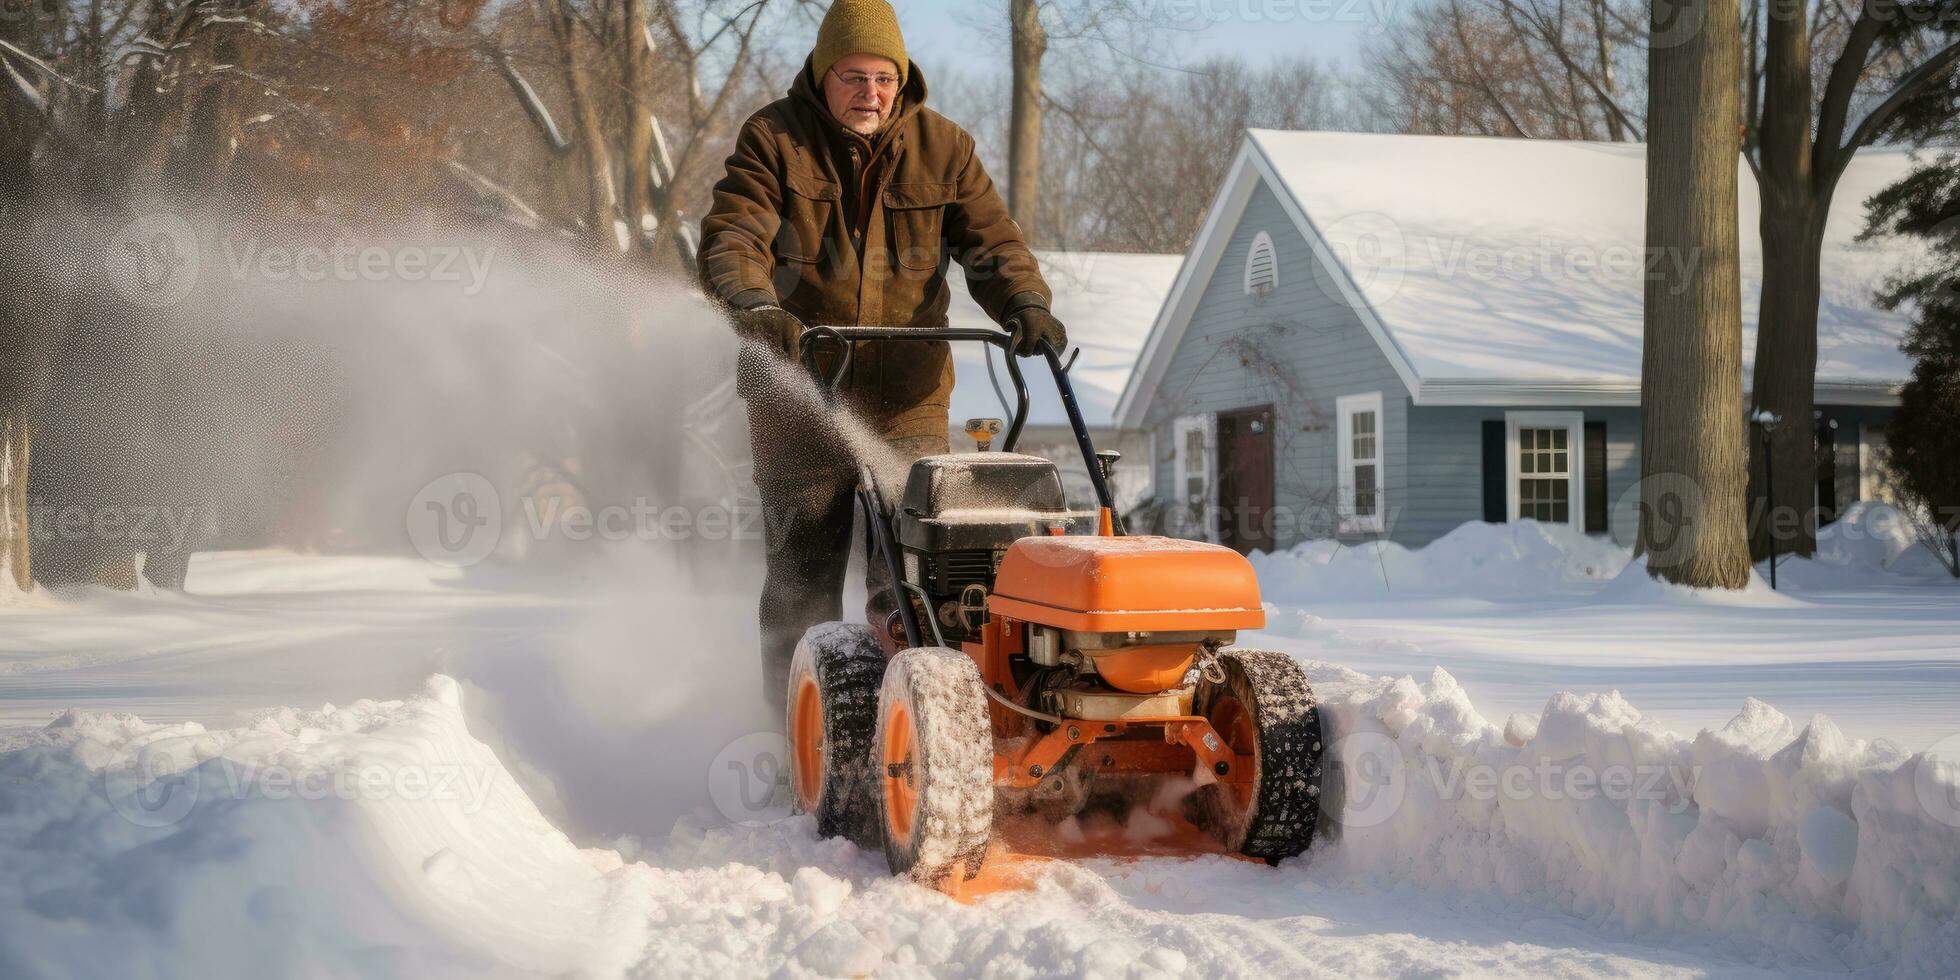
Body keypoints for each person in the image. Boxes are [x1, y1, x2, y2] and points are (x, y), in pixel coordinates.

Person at [698, 0, 1066, 711]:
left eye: (883, 79)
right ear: (822, 74)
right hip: (795, 387)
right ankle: (796, 735)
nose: (870, 93)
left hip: (908, 393)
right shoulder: (775, 138)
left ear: (902, 81)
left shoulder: (943, 148)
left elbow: (992, 245)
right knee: (803, 566)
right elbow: (733, 232)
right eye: (853, 76)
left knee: (913, 564)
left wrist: (1025, 302)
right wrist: (753, 305)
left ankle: (909, 720)